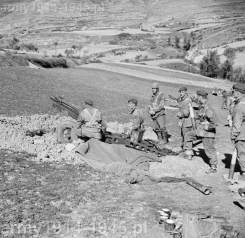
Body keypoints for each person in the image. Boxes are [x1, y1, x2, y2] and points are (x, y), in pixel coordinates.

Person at [180, 90, 219, 174]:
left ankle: (213, 166)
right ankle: (188, 154)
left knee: (209, 150)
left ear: (200, 97)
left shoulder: (209, 108)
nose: (197, 98)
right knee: (188, 135)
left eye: (198, 97)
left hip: (208, 133)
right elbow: (199, 115)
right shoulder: (202, 106)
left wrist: (206, 127)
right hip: (200, 131)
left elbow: (215, 122)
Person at [230, 84, 245, 180]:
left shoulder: (240, 105)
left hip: (242, 134)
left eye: (233, 91)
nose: (233, 93)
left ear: (238, 92)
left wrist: (233, 135)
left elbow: (237, 122)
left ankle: (244, 173)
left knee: (241, 153)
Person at [148, 82, 168, 149]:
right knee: (157, 128)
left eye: (154, 89)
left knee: (162, 127)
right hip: (154, 115)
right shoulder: (152, 96)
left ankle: (165, 139)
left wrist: (154, 110)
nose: (153, 90)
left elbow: (161, 105)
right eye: (152, 88)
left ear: (157, 89)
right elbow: (150, 103)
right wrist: (150, 109)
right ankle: (160, 138)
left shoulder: (161, 95)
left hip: (160, 114)